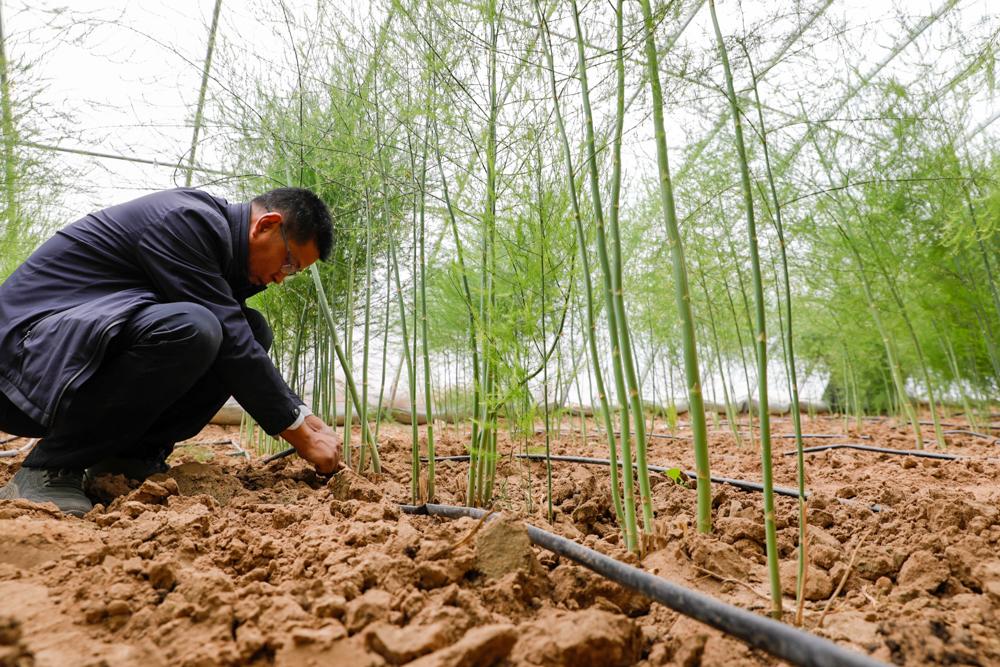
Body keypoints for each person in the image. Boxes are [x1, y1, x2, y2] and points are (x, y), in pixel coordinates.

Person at [0, 187, 343, 517]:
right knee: (196, 327)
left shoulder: (220, 249)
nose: (282, 278)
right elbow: (229, 339)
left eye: (293, 273)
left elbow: (239, 337)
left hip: (67, 354)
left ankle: (128, 459)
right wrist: (297, 430)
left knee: (251, 329)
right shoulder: (185, 221)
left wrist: (303, 416)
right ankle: (51, 467)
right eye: (289, 263)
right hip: (21, 362)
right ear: (266, 225)